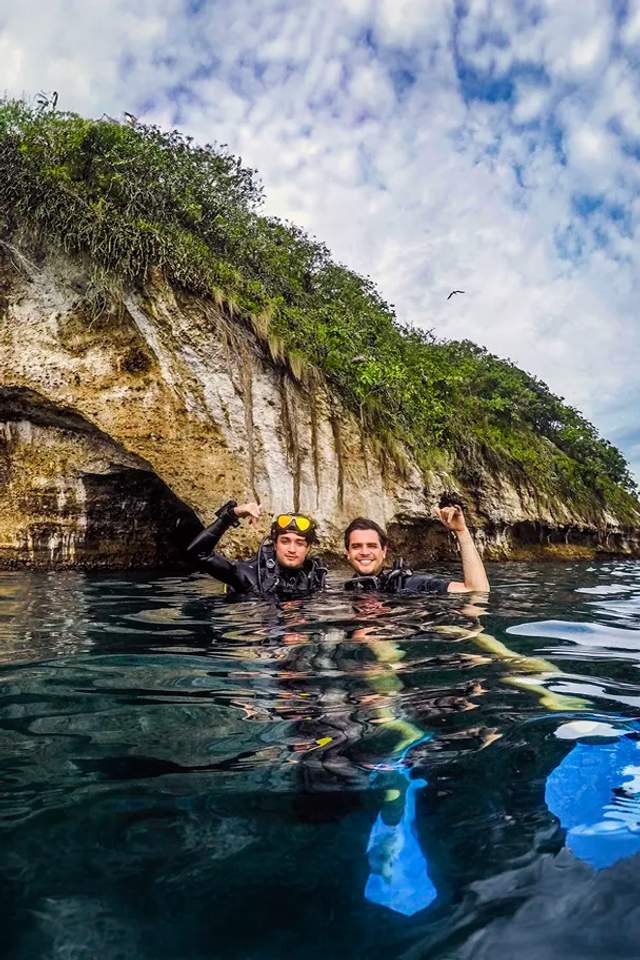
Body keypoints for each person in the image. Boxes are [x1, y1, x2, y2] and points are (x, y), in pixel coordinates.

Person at [186, 500, 327, 598]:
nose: (292, 549)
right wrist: (231, 515)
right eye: (285, 541)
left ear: (308, 548)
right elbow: (198, 553)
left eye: (299, 543)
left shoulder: (314, 577)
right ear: (274, 544)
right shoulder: (249, 575)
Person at [343, 500, 489, 594]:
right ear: (347, 552)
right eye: (356, 546)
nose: (364, 552)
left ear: (384, 551)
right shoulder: (335, 592)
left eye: (372, 546)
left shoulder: (410, 584)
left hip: (413, 632)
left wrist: (461, 532)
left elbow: (476, 591)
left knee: (477, 633)